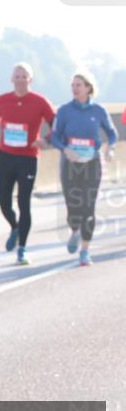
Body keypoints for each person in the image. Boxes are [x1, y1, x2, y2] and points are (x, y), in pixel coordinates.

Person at [0, 63, 56, 265]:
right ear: (11, 79)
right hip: (5, 156)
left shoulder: (40, 102)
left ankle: (22, 248)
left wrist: (46, 140)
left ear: (30, 80)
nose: (21, 80)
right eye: (17, 76)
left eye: (25, 77)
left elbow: (56, 124)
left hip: (28, 158)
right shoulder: (2, 100)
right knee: (3, 201)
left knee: (24, 202)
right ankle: (14, 226)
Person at [49, 72, 118, 266]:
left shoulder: (99, 111)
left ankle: (85, 251)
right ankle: (75, 230)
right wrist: (65, 149)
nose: (74, 88)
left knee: (88, 207)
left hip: (92, 163)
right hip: (70, 163)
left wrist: (110, 149)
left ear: (88, 88)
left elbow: (112, 133)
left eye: (78, 85)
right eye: (73, 85)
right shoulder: (63, 111)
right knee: (72, 204)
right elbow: (54, 136)